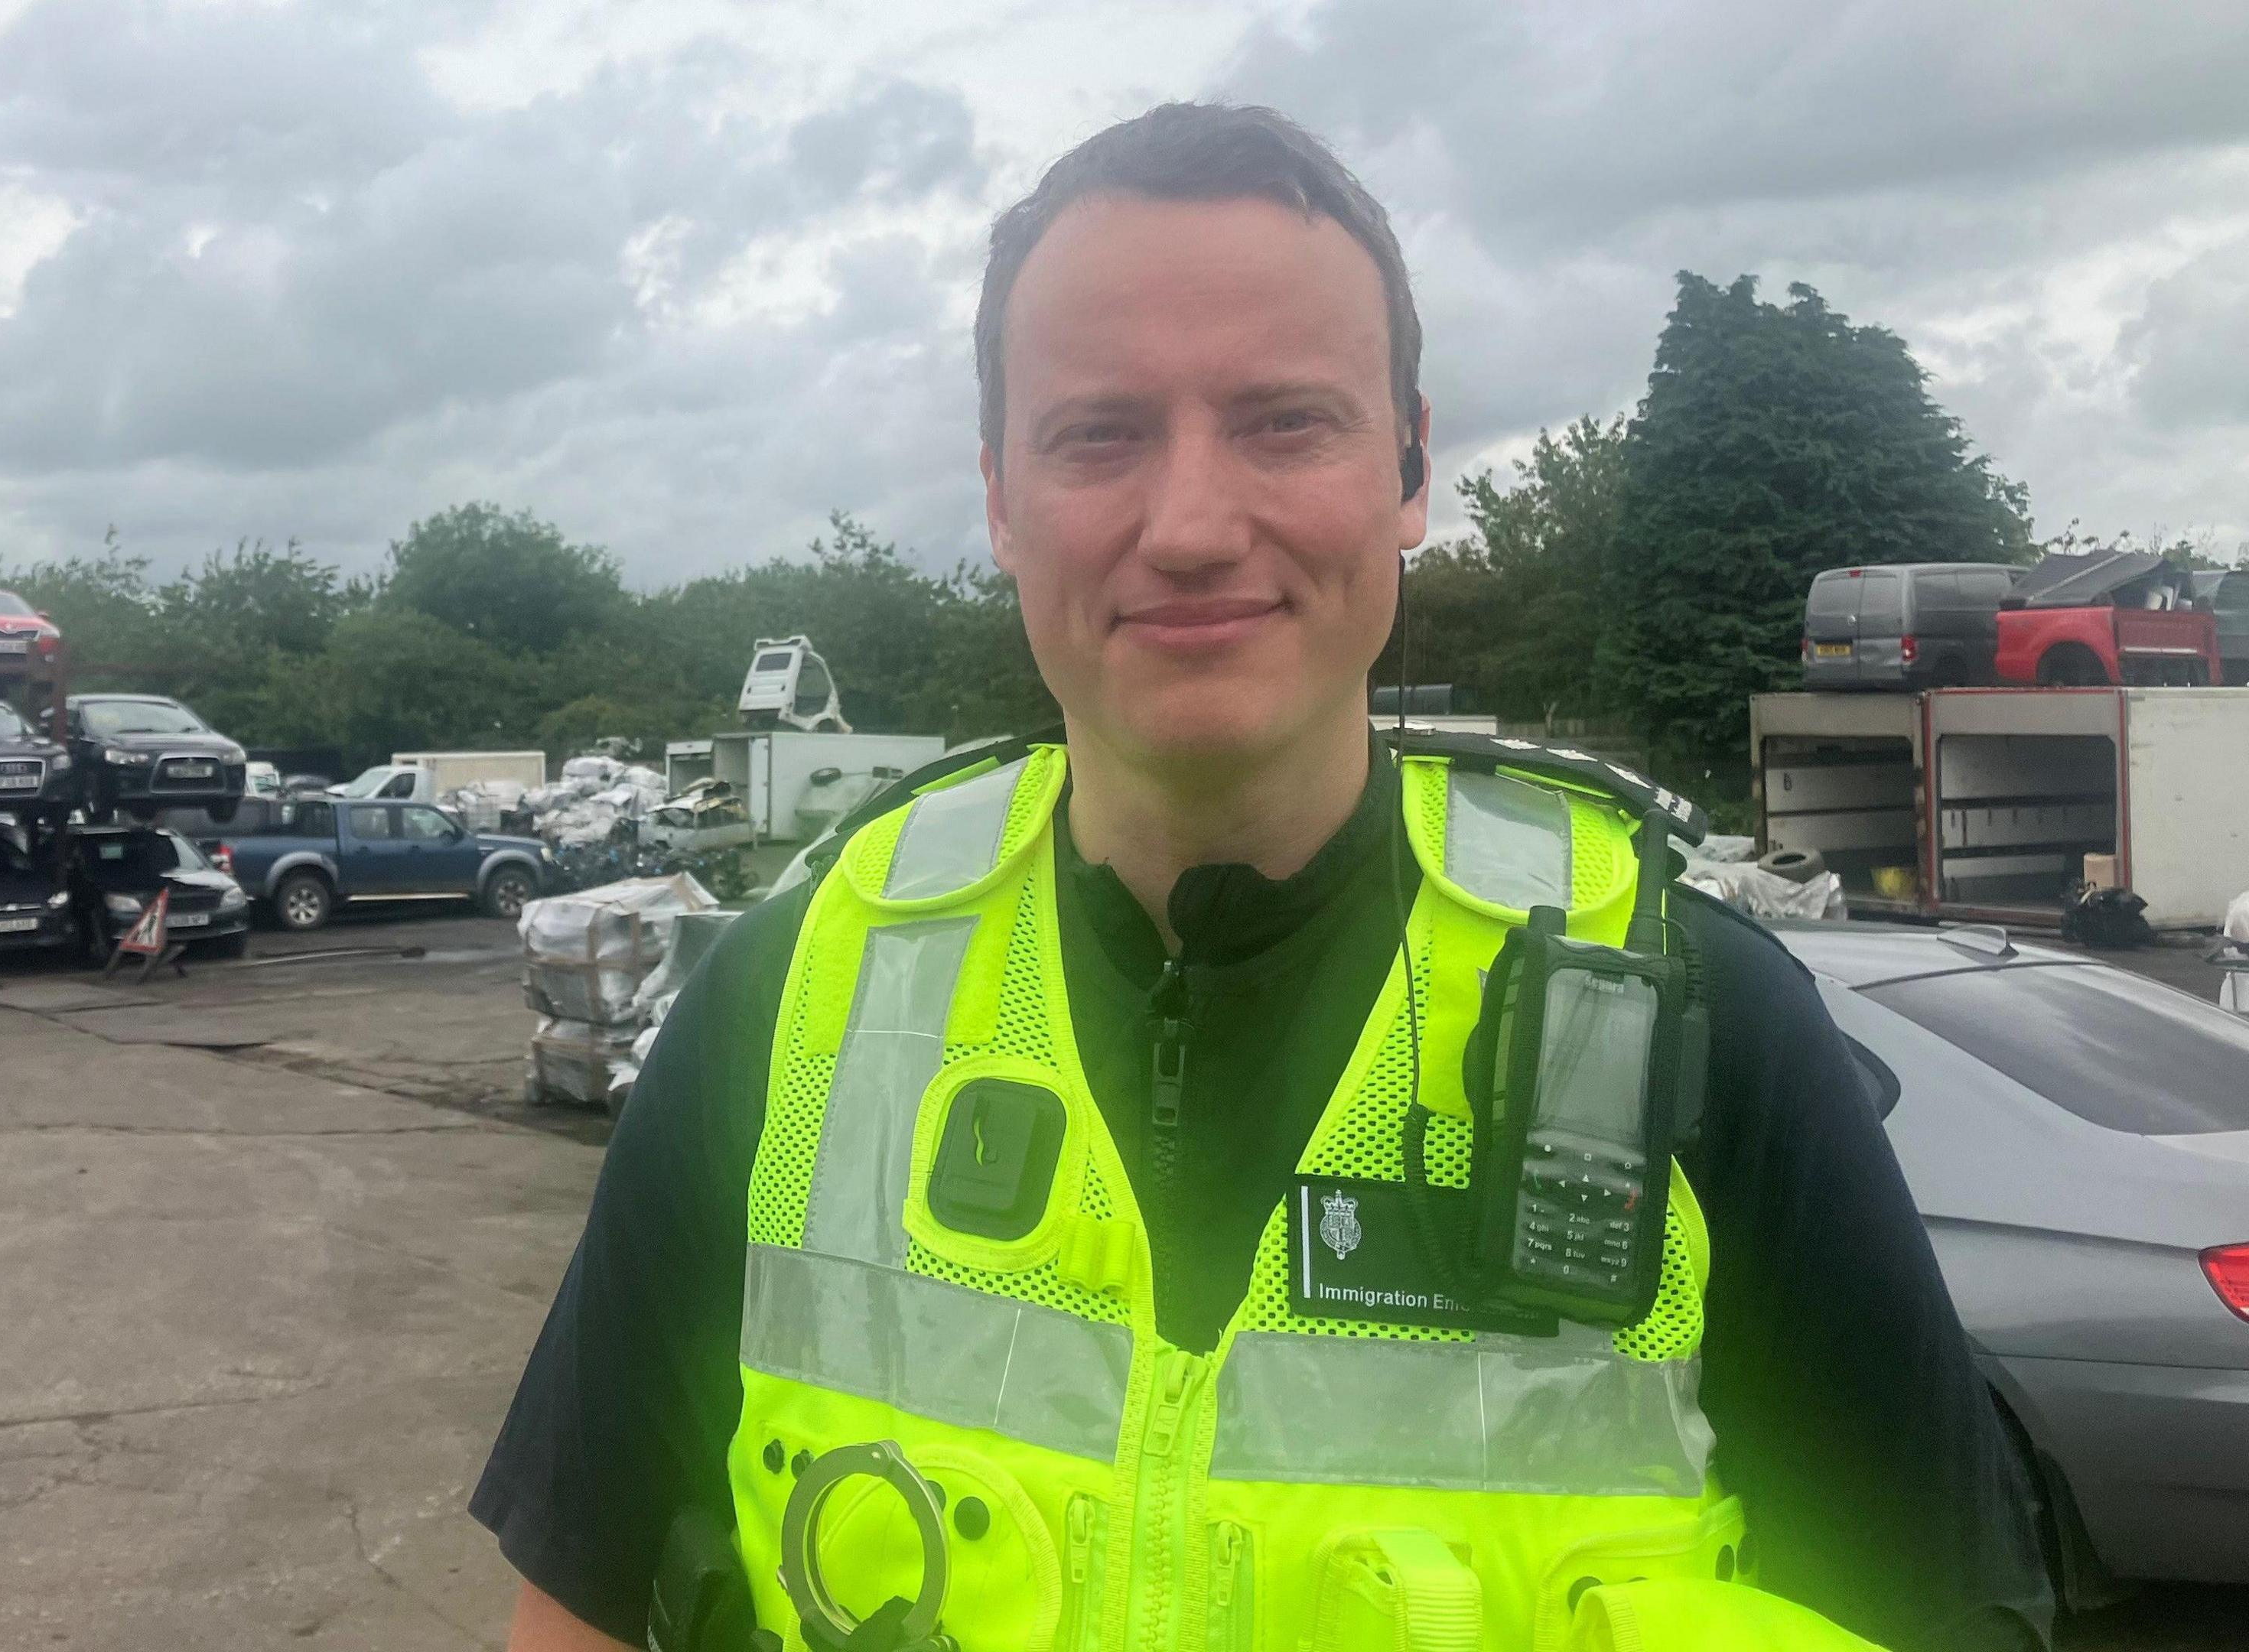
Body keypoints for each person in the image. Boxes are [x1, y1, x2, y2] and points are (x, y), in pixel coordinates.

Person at [474, 103, 2050, 1652]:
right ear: (1002, 497)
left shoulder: (1701, 1024)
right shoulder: (784, 1002)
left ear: (1413, 472)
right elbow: (580, 1614)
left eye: (1286, 422)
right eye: (1100, 433)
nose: (1190, 525)